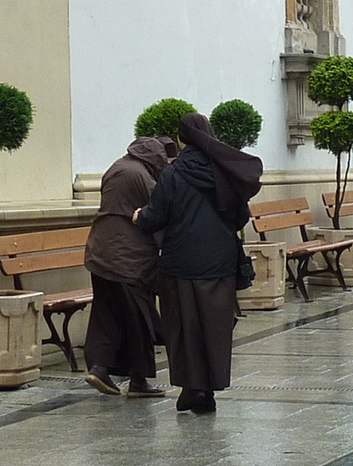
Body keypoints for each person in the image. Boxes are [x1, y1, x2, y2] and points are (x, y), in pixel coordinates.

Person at [133, 113, 262, 413]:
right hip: (220, 264)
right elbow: (240, 215)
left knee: (184, 327)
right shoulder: (224, 171)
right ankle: (209, 392)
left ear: (182, 139)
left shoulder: (173, 173)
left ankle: (192, 388)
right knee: (215, 328)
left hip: (181, 264)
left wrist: (140, 217)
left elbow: (157, 215)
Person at [83, 136, 174, 397]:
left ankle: (99, 368)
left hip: (100, 253)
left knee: (106, 315)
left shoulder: (117, 167)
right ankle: (138, 381)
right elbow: (159, 210)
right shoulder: (142, 176)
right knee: (139, 318)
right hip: (128, 259)